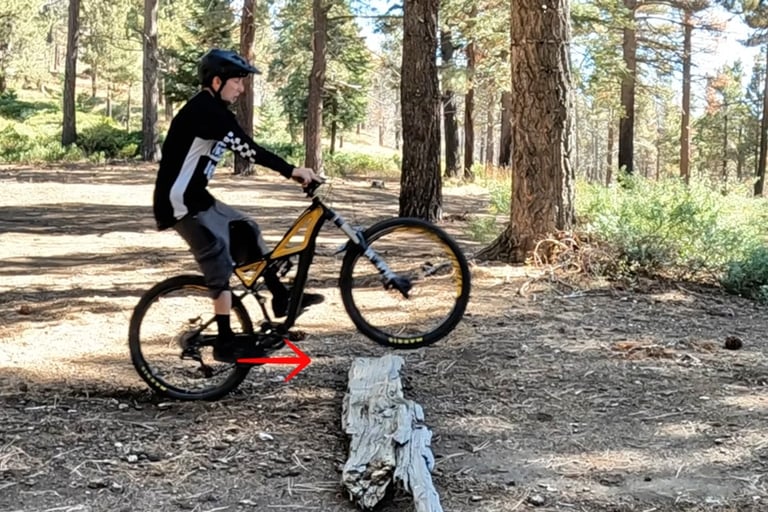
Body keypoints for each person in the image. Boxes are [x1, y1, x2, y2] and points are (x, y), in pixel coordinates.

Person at [152, 48, 324, 363]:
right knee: (217, 259)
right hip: (177, 203)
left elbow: (247, 145)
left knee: (246, 230)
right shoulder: (205, 112)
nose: (242, 88)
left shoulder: (217, 111)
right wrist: (292, 171)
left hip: (196, 198)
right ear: (216, 81)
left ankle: (282, 299)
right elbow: (250, 150)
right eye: (237, 82)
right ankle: (225, 341)